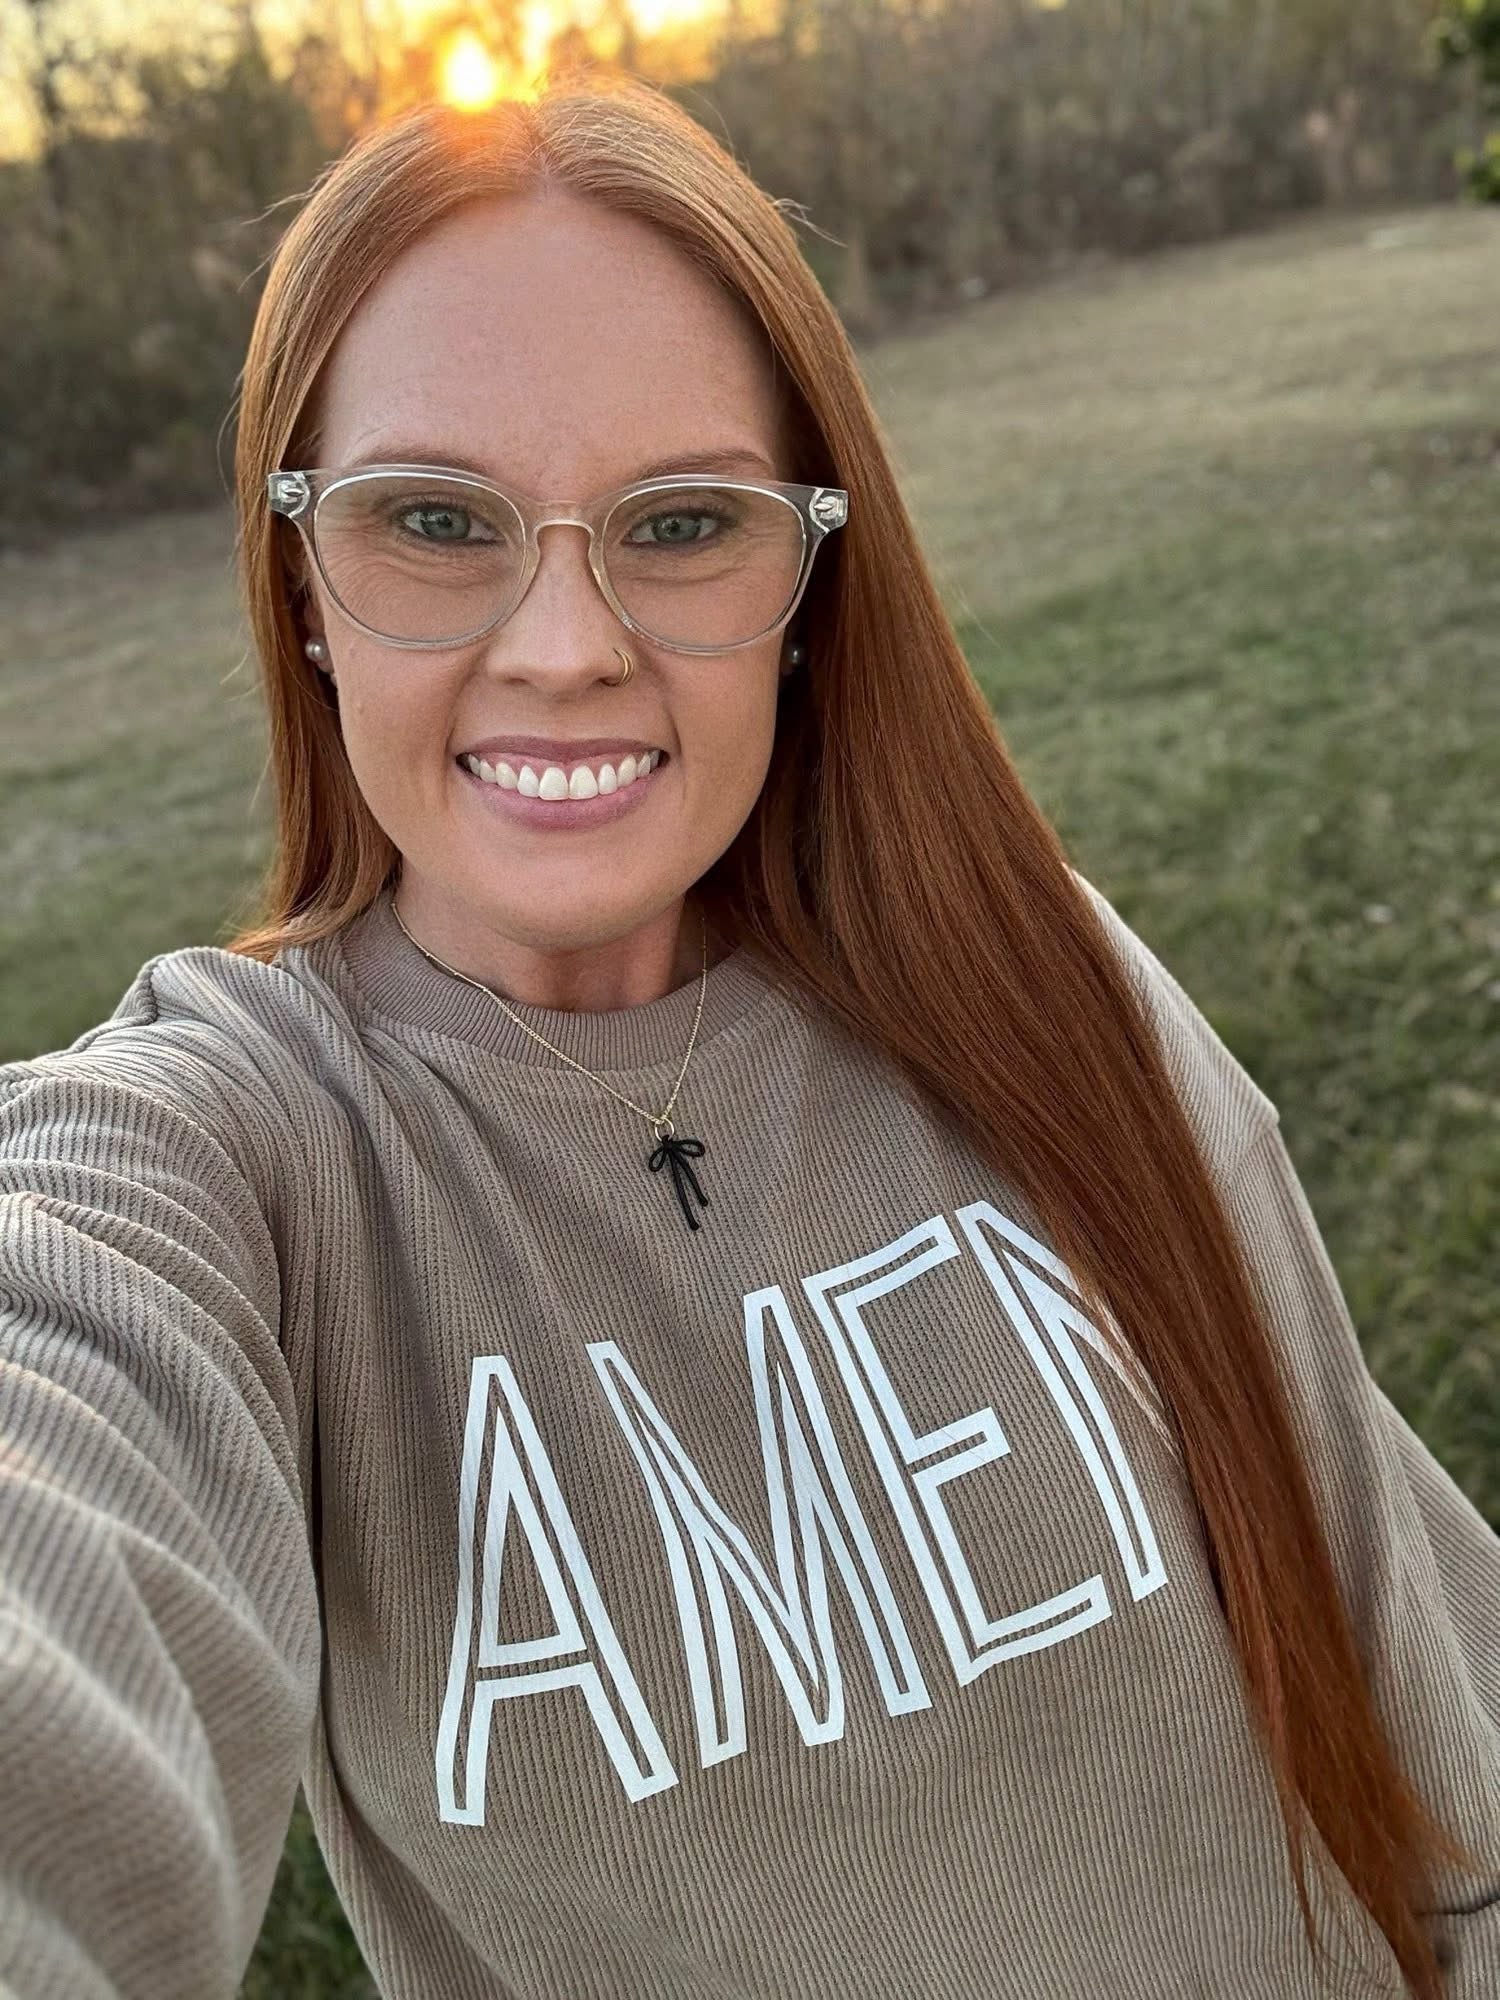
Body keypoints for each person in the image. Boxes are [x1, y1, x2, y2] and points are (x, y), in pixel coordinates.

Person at [0, 72, 1495, 2000]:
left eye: (686, 522)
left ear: (804, 582)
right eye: (434, 521)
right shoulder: (225, 1151)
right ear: (300, 577)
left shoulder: (1025, 973)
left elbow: (1396, 1627)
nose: (565, 646)